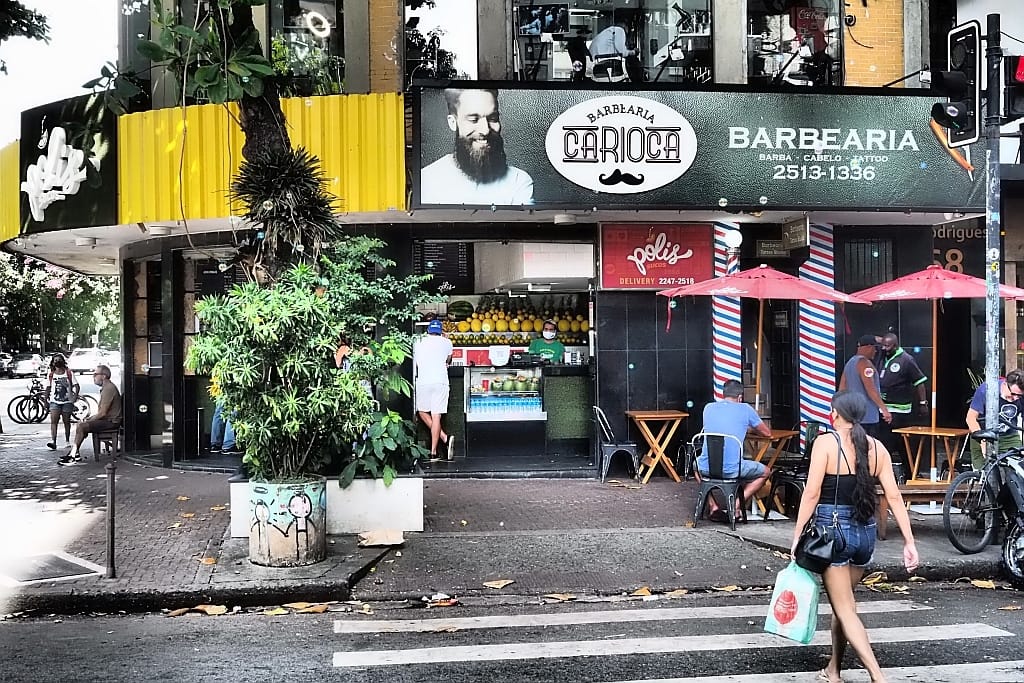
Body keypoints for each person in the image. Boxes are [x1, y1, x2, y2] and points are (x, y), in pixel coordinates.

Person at [791, 391, 918, 683]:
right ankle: (833, 669)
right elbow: (895, 497)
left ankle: (877, 675)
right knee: (843, 605)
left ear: (834, 413)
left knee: (845, 610)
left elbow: (810, 493)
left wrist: (797, 536)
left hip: (832, 532)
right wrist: (909, 542)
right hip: (864, 535)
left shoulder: (825, 442)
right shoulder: (878, 448)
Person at [420, 89, 535, 206]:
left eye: (493, 119)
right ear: (453, 122)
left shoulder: (518, 181)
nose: (485, 130)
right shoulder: (427, 180)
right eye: (473, 120)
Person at [697, 379, 772, 521]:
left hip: (708, 467)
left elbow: (721, 426)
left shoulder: (708, 408)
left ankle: (713, 506)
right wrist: (751, 427)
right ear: (740, 397)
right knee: (766, 472)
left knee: (696, 467)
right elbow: (767, 433)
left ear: (722, 394)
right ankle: (735, 506)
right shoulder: (745, 409)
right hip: (733, 470)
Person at [877, 333, 928, 477]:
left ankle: (911, 474)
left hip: (900, 412)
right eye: (883, 345)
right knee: (885, 445)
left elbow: (920, 382)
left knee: (901, 446)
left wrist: (923, 403)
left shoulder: (906, 360)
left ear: (895, 345)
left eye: (887, 346)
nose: (884, 348)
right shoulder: (882, 356)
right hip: (883, 411)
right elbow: (875, 339)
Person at [60, 364, 122, 465]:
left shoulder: (109, 389)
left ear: (104, 376)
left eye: (95, 374)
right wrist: (89, 419)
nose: (93, 377)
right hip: (108, 420)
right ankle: (74, 453)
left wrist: (89, 420)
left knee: (82, 425)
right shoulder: (106, 387)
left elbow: (103, 413)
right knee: (81, 424)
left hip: (111, 421)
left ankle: (73, 455)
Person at [965, 368, 1024, 471]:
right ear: (1005, 384)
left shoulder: (1021, 397)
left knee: (1017, 472)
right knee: (983, 474)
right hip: (983, 434)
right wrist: (983, 442)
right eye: (1013, 394)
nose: (1015, 398)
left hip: (1009, 437)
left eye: (1019, 396)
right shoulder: (985, 389)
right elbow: (970, 418)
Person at [413, 319, 454, 461]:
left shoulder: (418, 341)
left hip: (423, 381)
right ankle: (435, 450)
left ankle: (444, 439)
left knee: (421, 411)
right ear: (440, 331)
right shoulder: (447, 342)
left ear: (428, 331)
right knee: (436, 415)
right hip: (441, 381)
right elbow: (449, 361)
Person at [838, 334, 890, 439]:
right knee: (868, 449)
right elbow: (871, 389)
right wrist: (884, 409)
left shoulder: (849, 363)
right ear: (869, 347)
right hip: (867, 417)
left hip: (853, 417)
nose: (876, 352)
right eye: (875, 348)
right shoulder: (864, 363)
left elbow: (841, 390)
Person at [45, 353, 79, 450]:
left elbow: (77, 386)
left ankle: (67, 441)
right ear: (52, 362)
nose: (57, 362)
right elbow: (48, 387)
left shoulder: (68, 373)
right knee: (54, 421)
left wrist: (74, 397)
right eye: (55, 360)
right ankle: (53, 441)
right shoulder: (51, 374)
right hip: (54, 401)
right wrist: (45, 400)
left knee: (66, 421)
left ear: (63, 361)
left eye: (59, 360)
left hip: (67, 401)